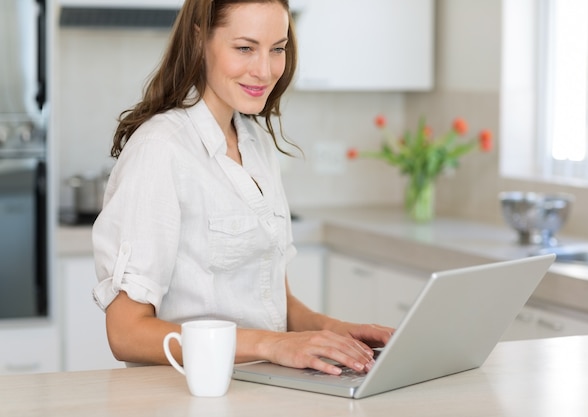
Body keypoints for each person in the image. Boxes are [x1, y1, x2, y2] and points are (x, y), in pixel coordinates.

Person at [92, 0, 393, 376]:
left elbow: (271, 301)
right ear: (200, 38)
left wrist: (336, 331)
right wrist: (272, 344)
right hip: (186, 397)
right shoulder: (162, 149)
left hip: (260, 390)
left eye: (277, 49)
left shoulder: (254, 142)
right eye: (245, 48)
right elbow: (126, 333)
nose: (265, 71)